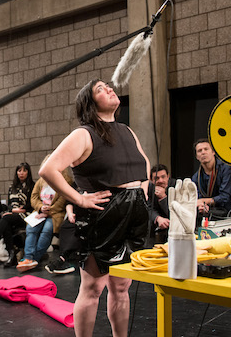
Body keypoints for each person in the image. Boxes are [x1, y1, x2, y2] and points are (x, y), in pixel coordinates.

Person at [39, 79, 147, 337]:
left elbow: (143, 164)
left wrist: (142, 189)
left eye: (108, 86)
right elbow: (48, 170)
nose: (110, 89)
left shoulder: (127, 131)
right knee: (93, 288)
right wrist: (79, 199)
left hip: (132, 213)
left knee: (121, 287)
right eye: (100, 89)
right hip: (103, 215)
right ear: (89, 103)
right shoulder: (83, 134)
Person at [17, 167, 71, 272]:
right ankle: (28, 258)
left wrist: (48, 212)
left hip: (55, 214)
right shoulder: (41, 180)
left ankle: (34, 259)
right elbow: (34, 197)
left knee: (47, 230)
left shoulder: (66, 180)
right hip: (40, 212)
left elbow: (63, 200)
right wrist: (41, 207)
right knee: (31, 229)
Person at [191, 139, 231, 219]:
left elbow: (225, 197)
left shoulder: (227, 169)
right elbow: (198, 197)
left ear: (213, 152)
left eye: (206, 149)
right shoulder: (196, 177)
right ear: (197, 157)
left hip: (230, 211)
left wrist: (203, 201)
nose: (203, 152)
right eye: (199, 151)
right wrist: (202, 205)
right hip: (209, 211)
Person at [146, 164, 175, 243]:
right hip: (156, 224)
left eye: (163, 177)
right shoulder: (149, 189)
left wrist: (163, 197)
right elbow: (148, 208)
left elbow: (175, 212)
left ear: (168, 176)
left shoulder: (175, 186)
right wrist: (158, 218)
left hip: (173, 223)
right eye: (157, 178)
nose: (161, 181)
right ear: (151, 180)